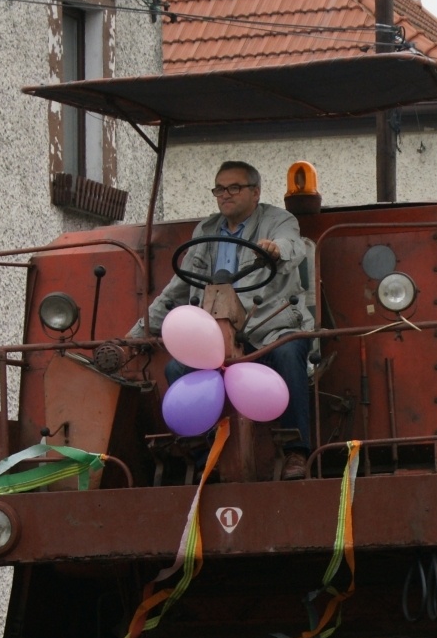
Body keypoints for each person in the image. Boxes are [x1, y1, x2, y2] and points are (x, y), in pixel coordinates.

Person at [132, 161, 316, 480]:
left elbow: (292, 246)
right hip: (217, 339)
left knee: (288, 352)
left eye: (234, 187)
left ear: (255, 192)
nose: (225, 195)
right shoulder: (206, 231)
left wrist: (275, 250)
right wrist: (134, 336)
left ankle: (296, 453)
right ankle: (208, 456)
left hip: (269, 330)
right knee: (176, 368)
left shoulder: (279, 220)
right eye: (219, 188)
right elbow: (177, 288)